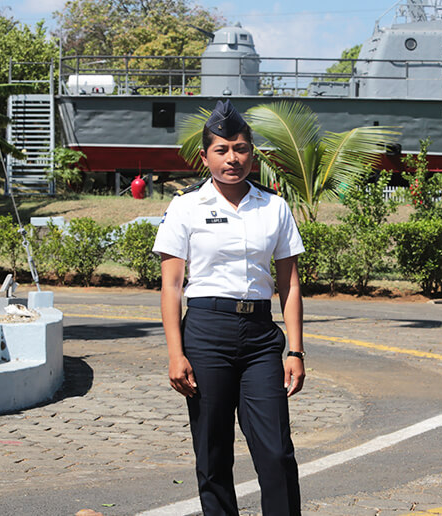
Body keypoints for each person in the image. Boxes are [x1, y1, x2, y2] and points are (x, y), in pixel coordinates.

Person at [152, 99, 305, 516]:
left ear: (252, 155)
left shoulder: (274, 207)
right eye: (221, 150)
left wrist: (295, 350)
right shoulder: (186, 207)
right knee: (213, 452)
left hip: (260, 338)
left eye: (240, 149)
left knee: (276, 452)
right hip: (206, 333)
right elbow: (171, 286)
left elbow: (289, 283)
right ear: (205, 157)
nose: (232, 158)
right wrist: (175, 353)